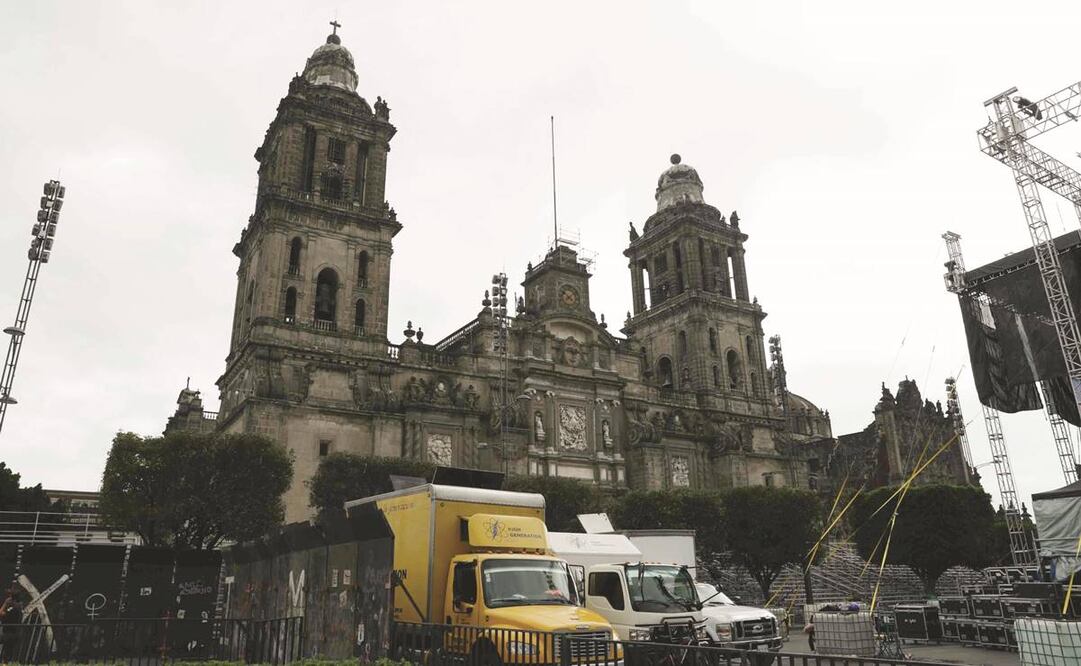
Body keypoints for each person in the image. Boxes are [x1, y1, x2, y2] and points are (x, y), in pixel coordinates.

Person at [0, 589, 24, 662]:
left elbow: (2, 613)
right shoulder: (19, 606)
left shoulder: (13, 607)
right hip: (15, 632)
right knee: (8, 651)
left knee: (7, 651)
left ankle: (5, 663)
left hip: (9, 632)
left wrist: (5, 603)